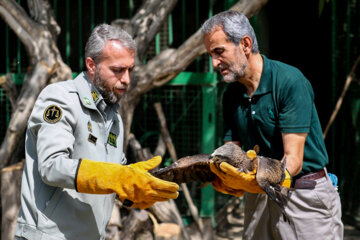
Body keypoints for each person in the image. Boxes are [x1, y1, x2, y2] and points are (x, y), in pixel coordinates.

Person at [15, 23, 179, 240]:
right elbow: (51, 166)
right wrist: (116, 176)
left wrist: (132, 193)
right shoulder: (60, 98)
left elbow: (107, 181)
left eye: (130, 69)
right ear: (91, 65)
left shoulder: (114, 119)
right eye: (118, 70)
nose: (127, 79)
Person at [201, 10, 343, 240]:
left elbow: (293, 160)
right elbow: (232, 153)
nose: (214, 62)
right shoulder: (231, 94)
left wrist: (257, 180)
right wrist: (226, 176)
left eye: (219, 52)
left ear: (245, 44)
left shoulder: (289, 81)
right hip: (257, 195)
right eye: (210, 55)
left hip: (303, 195)